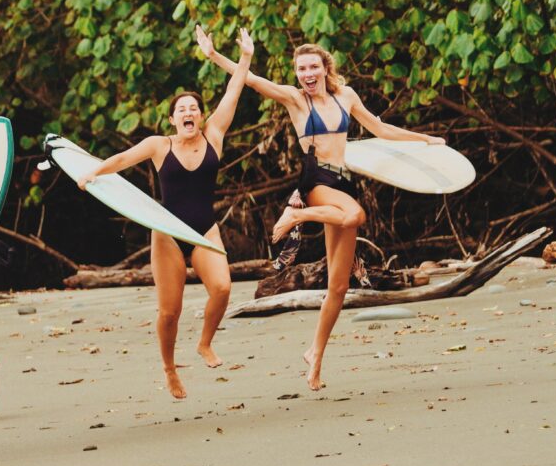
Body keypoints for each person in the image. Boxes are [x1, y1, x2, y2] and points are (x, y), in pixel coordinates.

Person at [204, 38, 444, 390]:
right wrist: (217, 56)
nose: (307, 74)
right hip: (315, 179)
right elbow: (251, 79)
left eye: (313, 67)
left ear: (325, 68)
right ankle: (297, 217)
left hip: (344, 182)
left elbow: (381, 130)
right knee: (355, 216)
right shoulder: (295, 100)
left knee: (339, 285)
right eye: (301, 69)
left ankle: (315, 356)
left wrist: (424, 139)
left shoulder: (345, 96)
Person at [76, 27, 254, 399]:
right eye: (182, 110)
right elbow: (123, 160)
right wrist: (92, 172)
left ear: (202, 117)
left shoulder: (214, 136)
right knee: (169, 313)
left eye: (194, 109)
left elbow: (233, 91)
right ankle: (170, 368)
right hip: (167, 234)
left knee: (222, 288)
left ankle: (205, 343)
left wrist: (246, 58)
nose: (188, 113)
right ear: (173, 119)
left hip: (205, 230)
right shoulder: (159, 145)